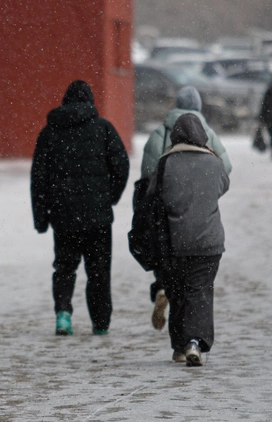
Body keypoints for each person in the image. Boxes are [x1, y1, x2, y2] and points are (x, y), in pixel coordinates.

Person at [31, 80, 130, 336]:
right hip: (98, 218)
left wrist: (41, 217)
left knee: (64, 267)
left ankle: (63, 315)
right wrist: (110, 197)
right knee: (98, 270)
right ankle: (100, 322)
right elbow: (122, 165)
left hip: (63, 217)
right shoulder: (104, 129)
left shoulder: (49, 133)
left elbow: (38, 179)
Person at [138, 86, 231, 332]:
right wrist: (205, 192)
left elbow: (148, 174)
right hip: (200, 219)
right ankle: (194, 338)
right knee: (197, 280)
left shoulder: (160, 132)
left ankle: (162, 288)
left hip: (166, 215)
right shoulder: (207, 133)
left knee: (168, 260)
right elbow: (226, 167)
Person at [149, 113, 229, 366]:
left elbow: (153, 197)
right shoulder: (214, 163)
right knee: (200, 292)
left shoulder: (165, 163)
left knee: (178, 292)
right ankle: (196, 340)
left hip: (175, 241)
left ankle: (179, 346)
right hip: (209, 241)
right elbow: (223, 186)